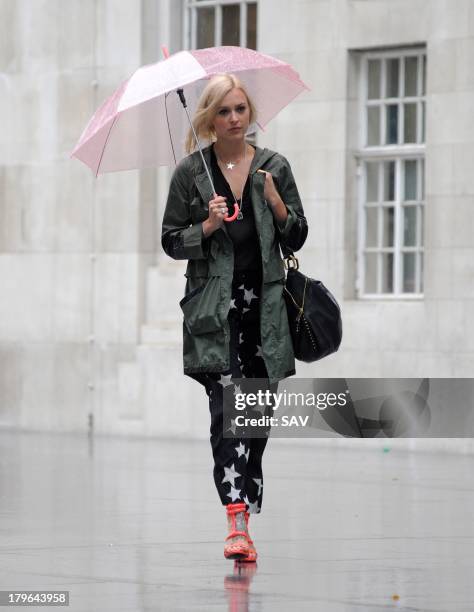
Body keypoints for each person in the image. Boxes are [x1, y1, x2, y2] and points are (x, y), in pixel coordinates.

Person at [161, 73, 308, 562]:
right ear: (209, 118)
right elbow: (169, 241)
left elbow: (298, 234)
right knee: (229, 413)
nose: (233, 119)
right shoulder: (191, 174)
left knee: (257, 413)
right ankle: (236, 520)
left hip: (265, 312)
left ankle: (247, 486)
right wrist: (205, 224)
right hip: (215, 313)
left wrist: (276, 205)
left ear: (250, 114)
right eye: (222, 111)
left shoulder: (274, 168)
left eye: (240, 109)